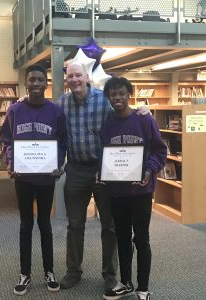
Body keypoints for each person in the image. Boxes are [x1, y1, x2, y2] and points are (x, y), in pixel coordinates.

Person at [56, 62, 150, 292]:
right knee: (74, 225)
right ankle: (73, 271)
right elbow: (49, 122)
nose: (75, 79)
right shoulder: (61, 104)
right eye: (71, 76)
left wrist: (142, 109)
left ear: (86, 77)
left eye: (79, 75)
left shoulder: (104, 100)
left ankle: (110, 274)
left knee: (109, 226)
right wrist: (19, 103)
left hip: (104, 171)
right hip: (76, 169)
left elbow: (123, 112)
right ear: (66, 79)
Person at [0, 64, 67, 296]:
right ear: (26, 83)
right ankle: (25, 274)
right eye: (32, 80)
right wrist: (10, 162)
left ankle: (49, 271)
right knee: (26, 225)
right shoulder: (15, 110)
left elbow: (62, 141)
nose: (36, 84)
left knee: (45, 225)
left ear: (46, 83)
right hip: (23, 178)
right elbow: (6, 139)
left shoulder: (56, 111)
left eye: (40, 80)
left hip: (46, 179)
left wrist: (58, 164)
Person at [100, 77, 167, 300]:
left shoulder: (145, 120)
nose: (117, 98)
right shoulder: (108, 123)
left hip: (141, 192)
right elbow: (106, 154)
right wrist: (103, 171)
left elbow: (159, 151)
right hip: (117, 192)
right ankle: (126, 282)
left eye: (121, 93)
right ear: (108, 97)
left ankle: (143, 287)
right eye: (112, 94)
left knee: (141, 238)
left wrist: (148, 171)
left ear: (129, 94)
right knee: (122, 237)